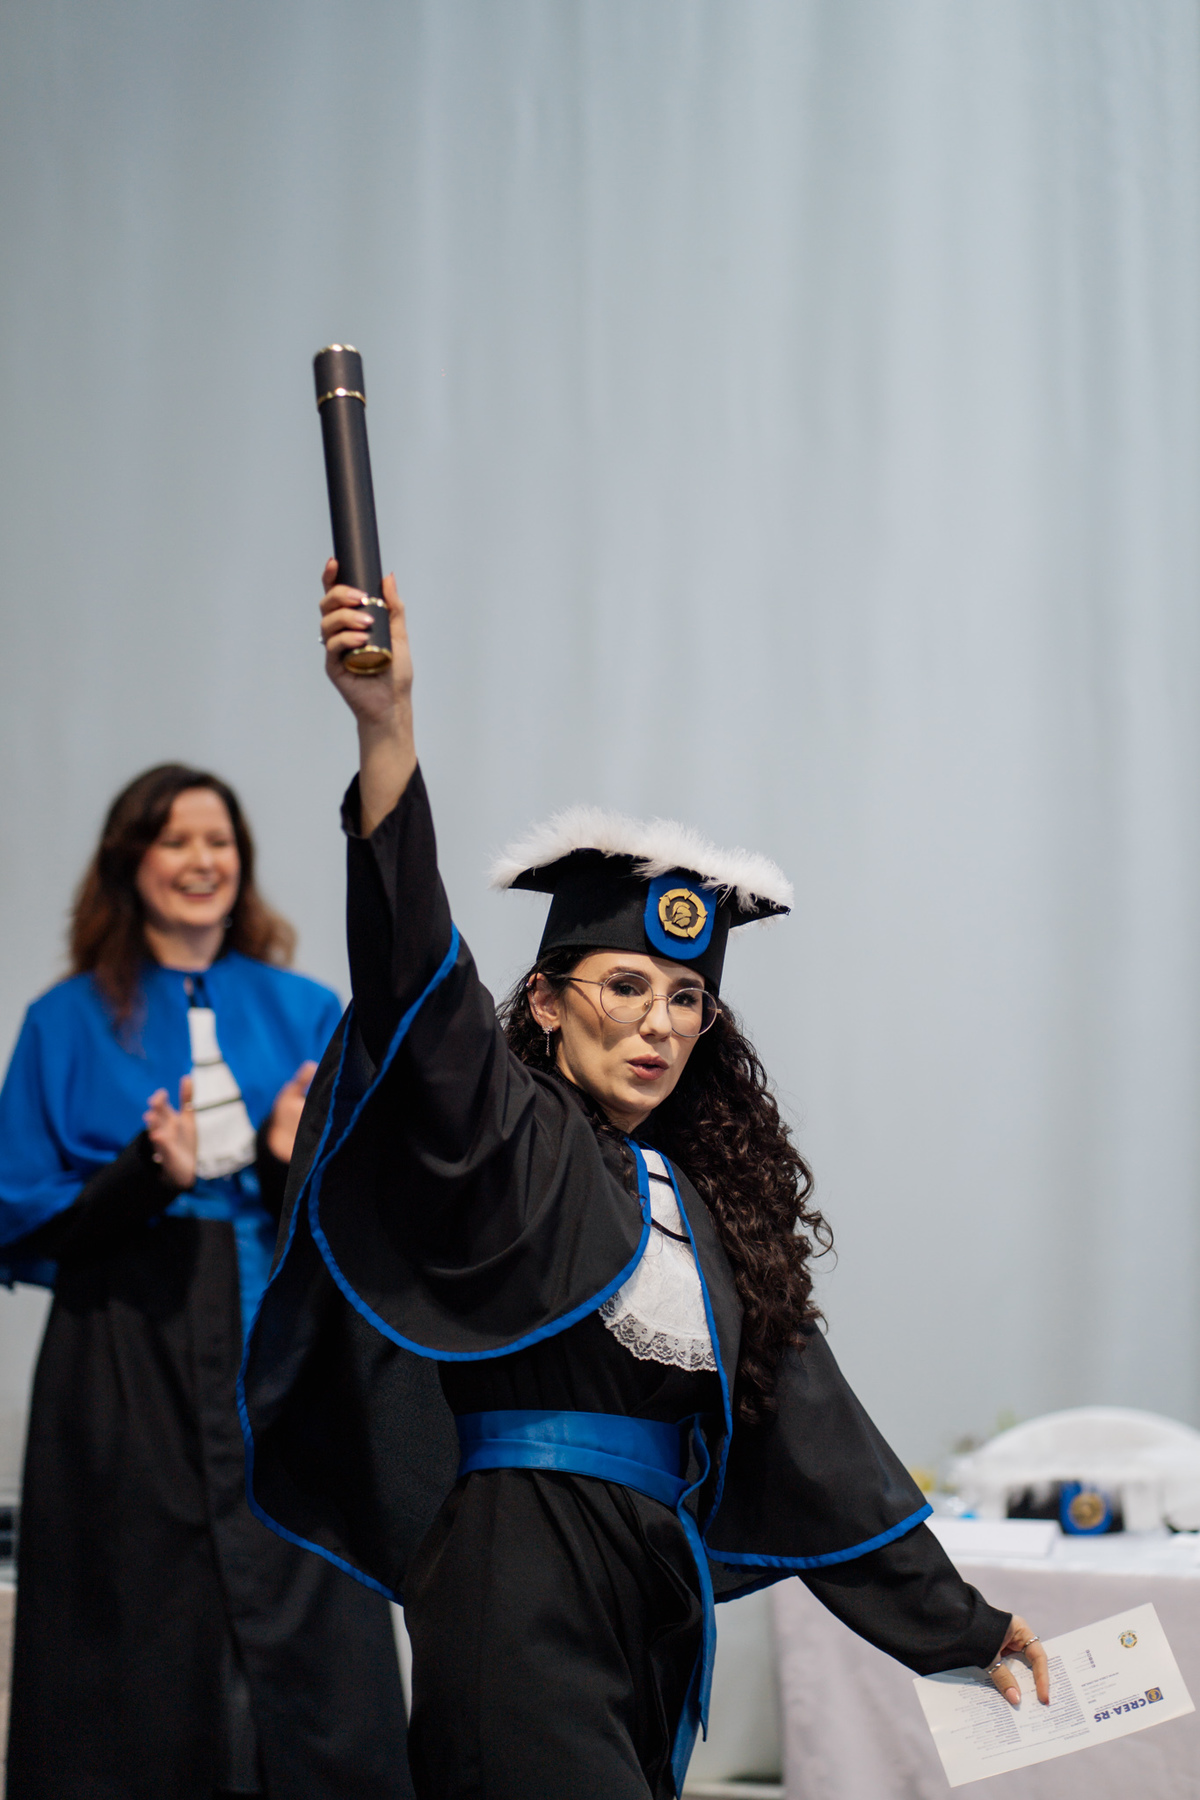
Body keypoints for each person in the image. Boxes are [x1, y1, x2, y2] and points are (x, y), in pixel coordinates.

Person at [239, 565, 1050, 1800]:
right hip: (515, 1570)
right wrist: (387, 727)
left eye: (686, 1000)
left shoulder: (711, 1215)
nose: (659, 1024)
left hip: (654, 1595)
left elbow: (819, 1442)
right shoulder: (505, 1140)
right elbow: (413, 974)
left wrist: (968, 1627)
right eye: (626, 987)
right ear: (552, 1001)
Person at [0, 763, 412, 1800]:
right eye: (175, 840)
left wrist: (287, 1157)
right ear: (130, 863)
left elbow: (367, 1210)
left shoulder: (307, 1006)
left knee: (315, 1617)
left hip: (283, 1352)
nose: (201, 861)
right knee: (130, 1624)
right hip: (122, 1354)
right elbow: (16, 1205)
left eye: (218, 841)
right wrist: (146, 1176)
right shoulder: (61, 1020)